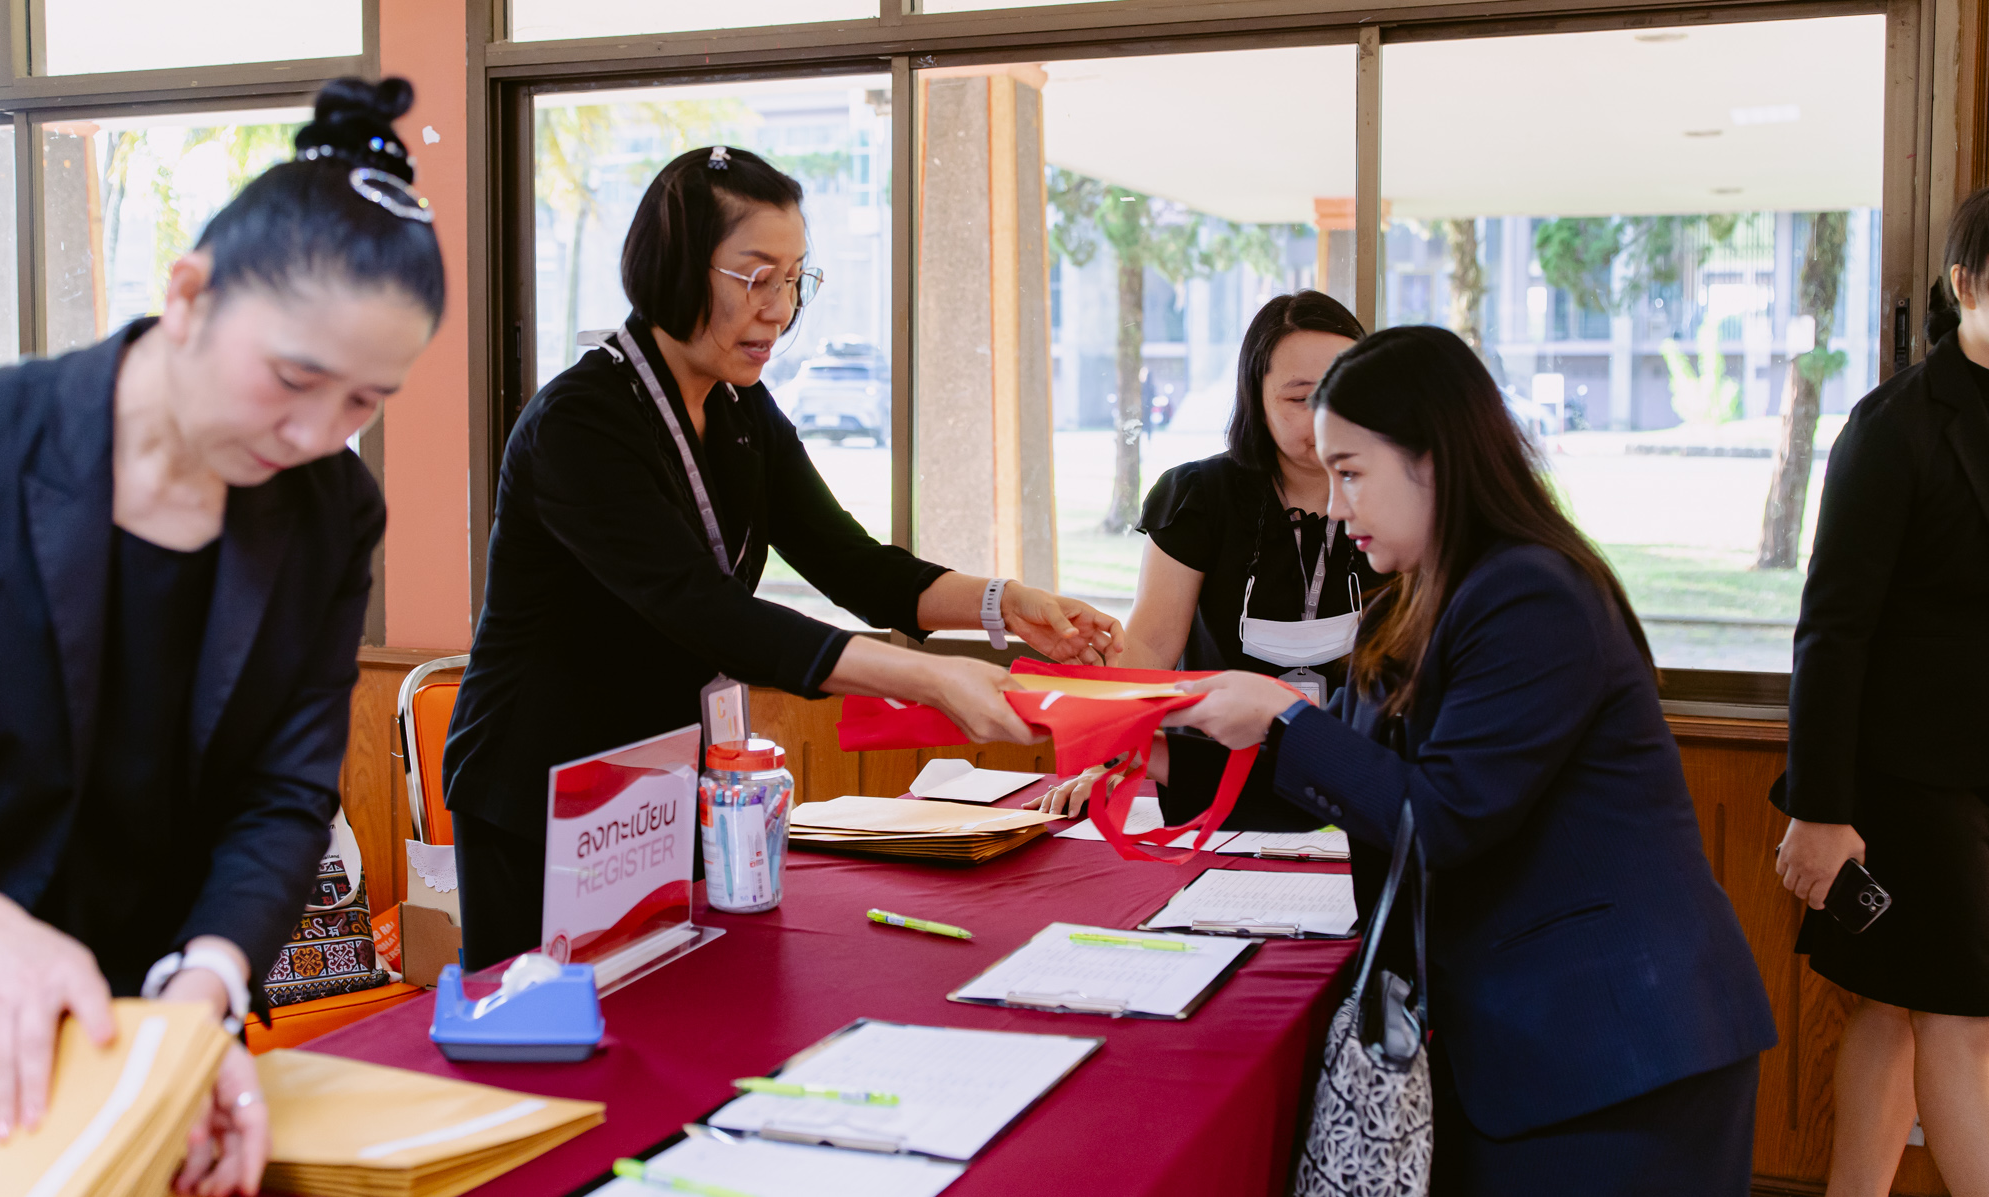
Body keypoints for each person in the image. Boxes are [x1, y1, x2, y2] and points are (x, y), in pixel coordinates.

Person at [0, 77, 443, 1196]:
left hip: (125, 1036)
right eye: (293, 378)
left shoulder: (329, 512)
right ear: (187, 293)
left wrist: (202, 988)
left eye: (363, 400)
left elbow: (282, 792)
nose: (314, 432)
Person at [443, 145, 1123, 970]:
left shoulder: (740, 409)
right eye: (757, 277)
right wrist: (931, 680)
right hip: (541, 787)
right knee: (548, 1026)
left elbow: (853, 563)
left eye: (796, 279)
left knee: (671, 1006)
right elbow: (708, 611)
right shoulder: (579, 424)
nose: (780, 308)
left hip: (657, 779)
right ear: (674, 268)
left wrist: (1004, 603)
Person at [1164, 325, 1775, 1196]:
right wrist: (1168, 758)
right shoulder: (1419, 595)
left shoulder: (1531, 592)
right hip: (1534, 1036)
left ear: (1433, 459)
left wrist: (1280, 717)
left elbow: (1443, 815)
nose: (1333, 507)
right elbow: (1362, 781)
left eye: (1350, 472)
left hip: (1616, 1045)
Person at [1774, 189, 1989, 1197]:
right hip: (1910, 782)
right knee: (1962, 1017)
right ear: (1964, 284)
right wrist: (1819, 810)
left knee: (1891, 1008)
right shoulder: (1892, 426)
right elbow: (1831, 630)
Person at [1031, 290, 1388, 827]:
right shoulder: (1200, 494)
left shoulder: (1396, 501)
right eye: (1300, 399)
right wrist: (1110, 756)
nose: (1325, 418)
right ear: (1255, 396)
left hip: (1360, 782)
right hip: (1213, 780)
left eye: (1343, 393)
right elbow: (1151, 647)